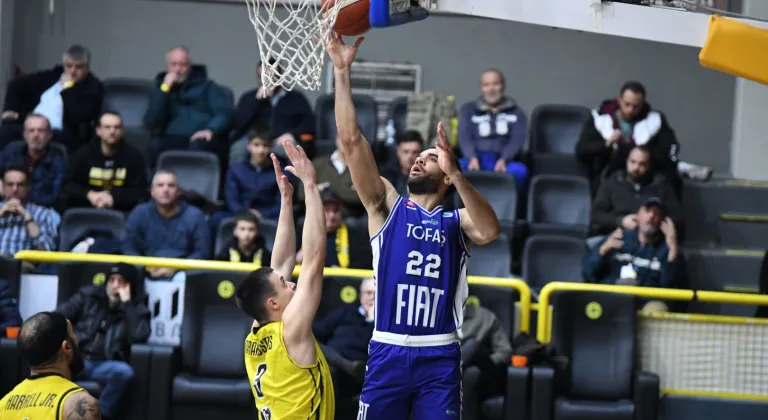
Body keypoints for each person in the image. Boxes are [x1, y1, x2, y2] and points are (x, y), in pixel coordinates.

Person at [327, 34, 502, 420]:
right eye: (417, 157)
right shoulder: (386, 204)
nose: (419, 161)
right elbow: (352, 141)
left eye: (430, 157)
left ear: (446, 177)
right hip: (387, 349)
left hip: (438, 355)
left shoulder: (457, 222)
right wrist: (341, 71)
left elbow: (490, 230)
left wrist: (458, 175)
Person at [235, 142, 334, 419]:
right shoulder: (291, 331)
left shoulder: (256, 331)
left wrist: (286, 202)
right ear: (273, 302)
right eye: (285, 284)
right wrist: (311, 187)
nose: (291, 283)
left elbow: (279, 264)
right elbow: (313, 261)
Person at [0, 311, 101, 419]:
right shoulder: (80, 405)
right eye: (73, 336)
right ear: (67, 347)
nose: (76, 340)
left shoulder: (3, 405)